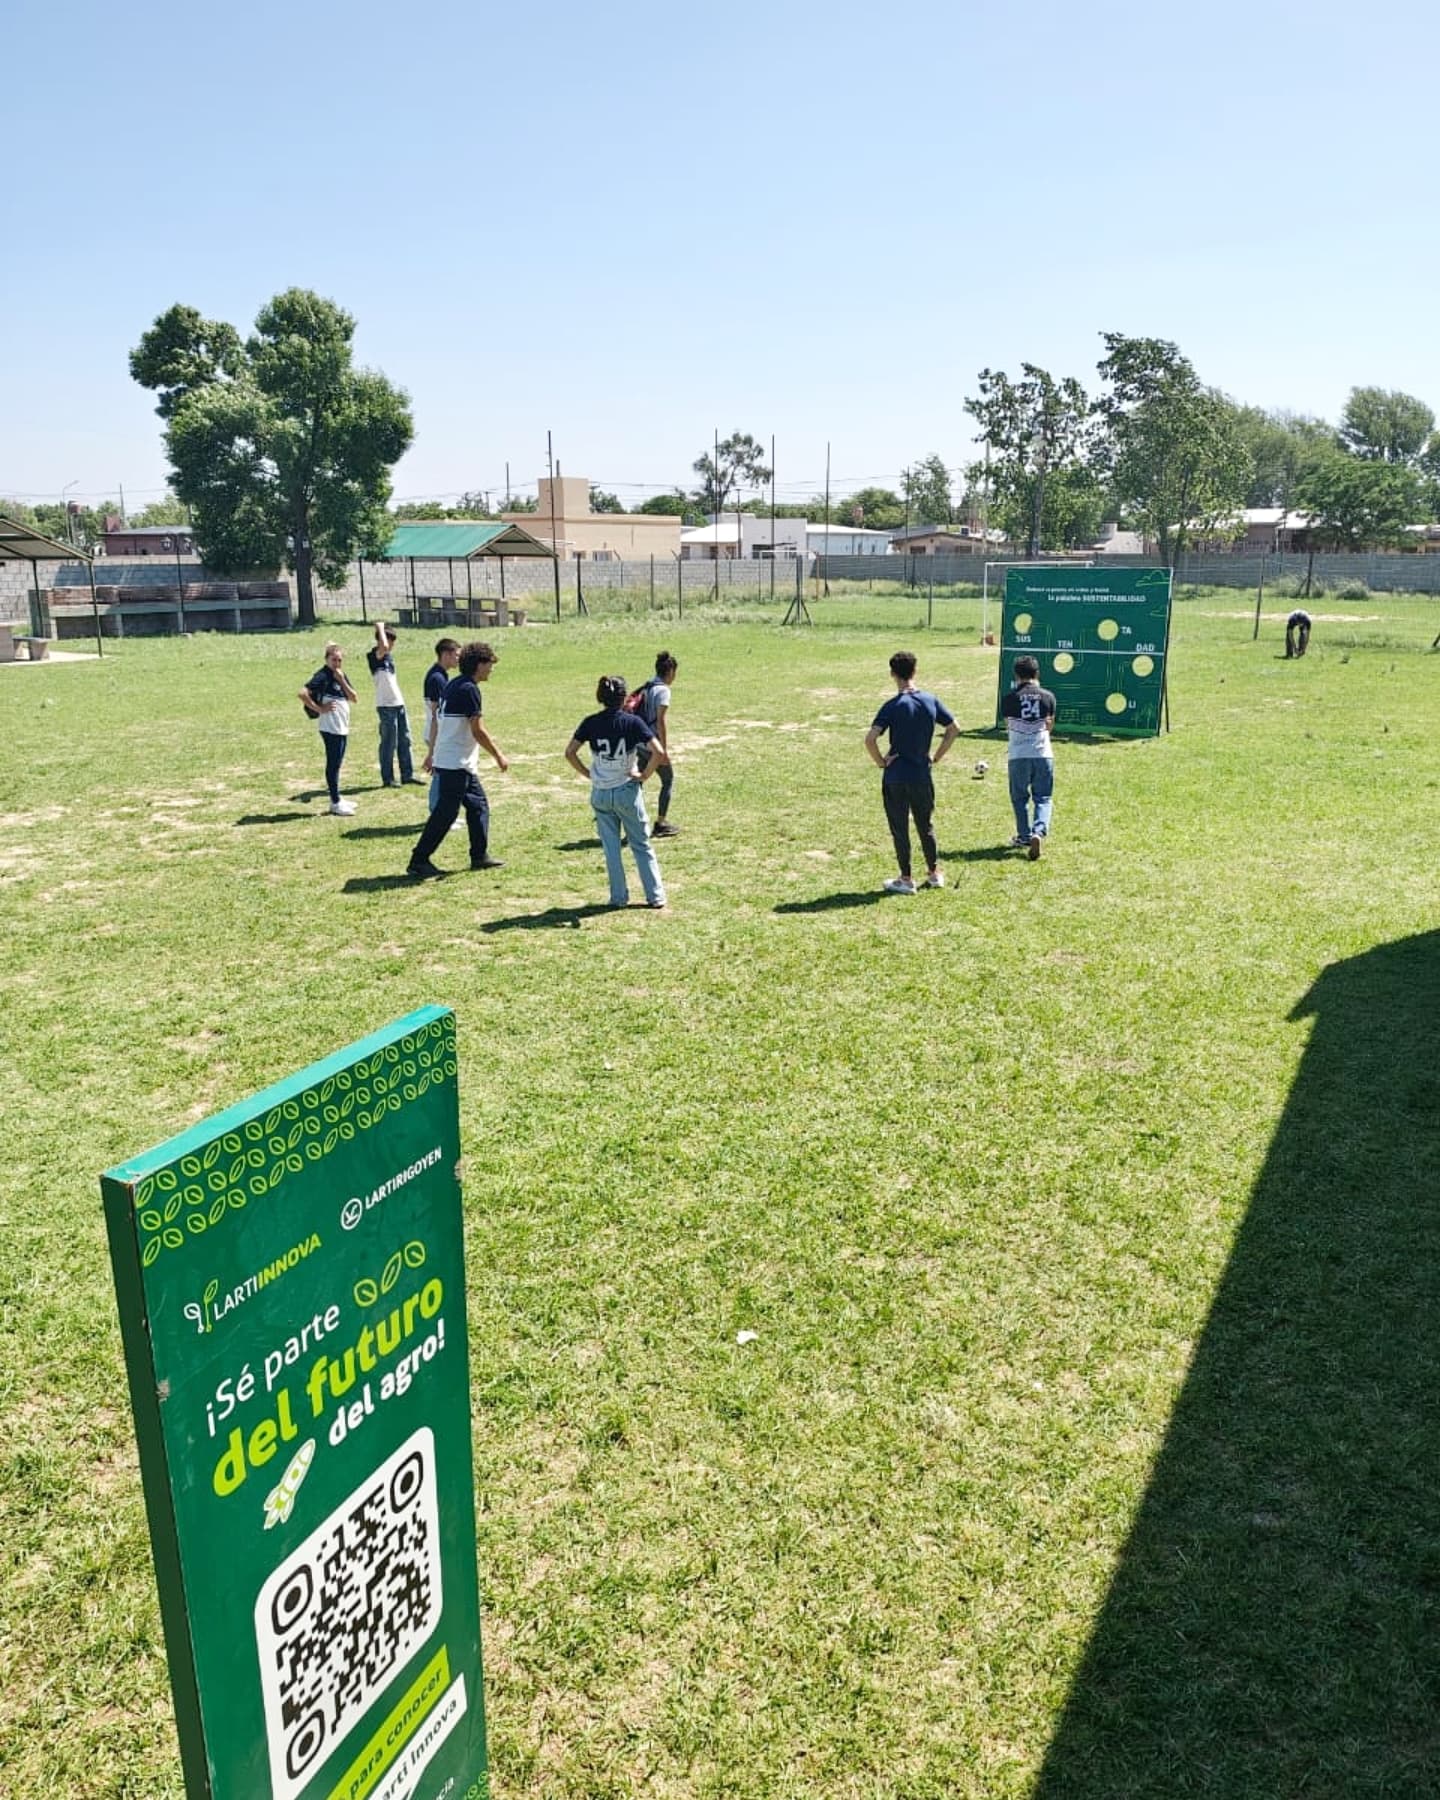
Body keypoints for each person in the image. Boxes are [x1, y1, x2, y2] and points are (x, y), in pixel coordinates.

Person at [565, 675, 669, 909]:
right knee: (641, 844)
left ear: (600, 697)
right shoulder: (632, 722)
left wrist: (588, 773)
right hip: (626, 791)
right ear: (624, 697)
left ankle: (618, 898)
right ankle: (655, 896)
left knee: (611, 849)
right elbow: (658, 752)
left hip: (601, 793)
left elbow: (570, 752)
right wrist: (644, 775)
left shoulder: (590, 722)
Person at [407, 642, 507, 878]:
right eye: (489, 664)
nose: (491, 669)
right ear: (479, 665)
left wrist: (433, 753)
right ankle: (419, 860)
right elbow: (478, 730)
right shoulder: (468, 689)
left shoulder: (455, 684)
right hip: (455, 762)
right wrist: (498, 755)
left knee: (477, 805)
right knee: (446, 813)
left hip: (455, 760)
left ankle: (479, 856)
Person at [864, 651, 959, 894]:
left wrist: (882, 762)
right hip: (921, 774)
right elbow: (953, 728)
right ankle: (934, 872)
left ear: (892, 674)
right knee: (925, 824)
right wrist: (936, 756)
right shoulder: (930, 701)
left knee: (900, 828)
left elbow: (870, 739)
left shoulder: (892, 706)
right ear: (915, 671)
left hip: (895, 776)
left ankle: (906, 879)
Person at [1000, 654, 1057, 860]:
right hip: (1042, 753)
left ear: (1016, 675)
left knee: (1019, 798)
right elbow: (1050, 725)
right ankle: (1039, 831)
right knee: (1043, 797)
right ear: (1037, 673)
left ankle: (1024, 835)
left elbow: (1008, 724)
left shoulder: (1008, 699)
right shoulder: (1048, 697)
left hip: (1018, 755)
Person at [298, 641, 359, 817]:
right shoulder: (322, 676)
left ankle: (337, 797)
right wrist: (320, 709)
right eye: (334, 660)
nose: (337, 663)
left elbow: (354, 697)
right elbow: (302, 693)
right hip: (330, 728)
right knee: (333, 764)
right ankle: (335, 802)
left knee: (338, 763)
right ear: (327, 659)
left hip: (342, 727)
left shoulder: (340, 675)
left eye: (340, 660)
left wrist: (341, 679)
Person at [367, 623, 419, 786]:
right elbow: (383, 646)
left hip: (398, 703)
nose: (391, 646)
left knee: (405, 740)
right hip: (386, 706)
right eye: (390, 641)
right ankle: (388, 778)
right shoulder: (374, 655)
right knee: (389, 743)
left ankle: (407, 774)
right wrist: (380, 628)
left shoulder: (389, 657)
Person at [634, 652, 680, 837]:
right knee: (667, 780)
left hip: (639, 742)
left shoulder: (648, 685)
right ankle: (661, 823)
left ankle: (630, 817)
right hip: (652, 745)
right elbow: (660, 721)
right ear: (670, 671)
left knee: (636, 781)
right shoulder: (663, 690)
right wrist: (663, 750)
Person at [421, 636, 461, 812]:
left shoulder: (440, 675)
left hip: (437, 732)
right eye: (456, 655)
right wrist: (431, 752)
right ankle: (437, 813)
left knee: (443, 775)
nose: (458, 659)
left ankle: (441, 814)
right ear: (446, 655)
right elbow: (437, 714)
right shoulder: (437, 678)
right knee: (441, 776)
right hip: (435, 732)